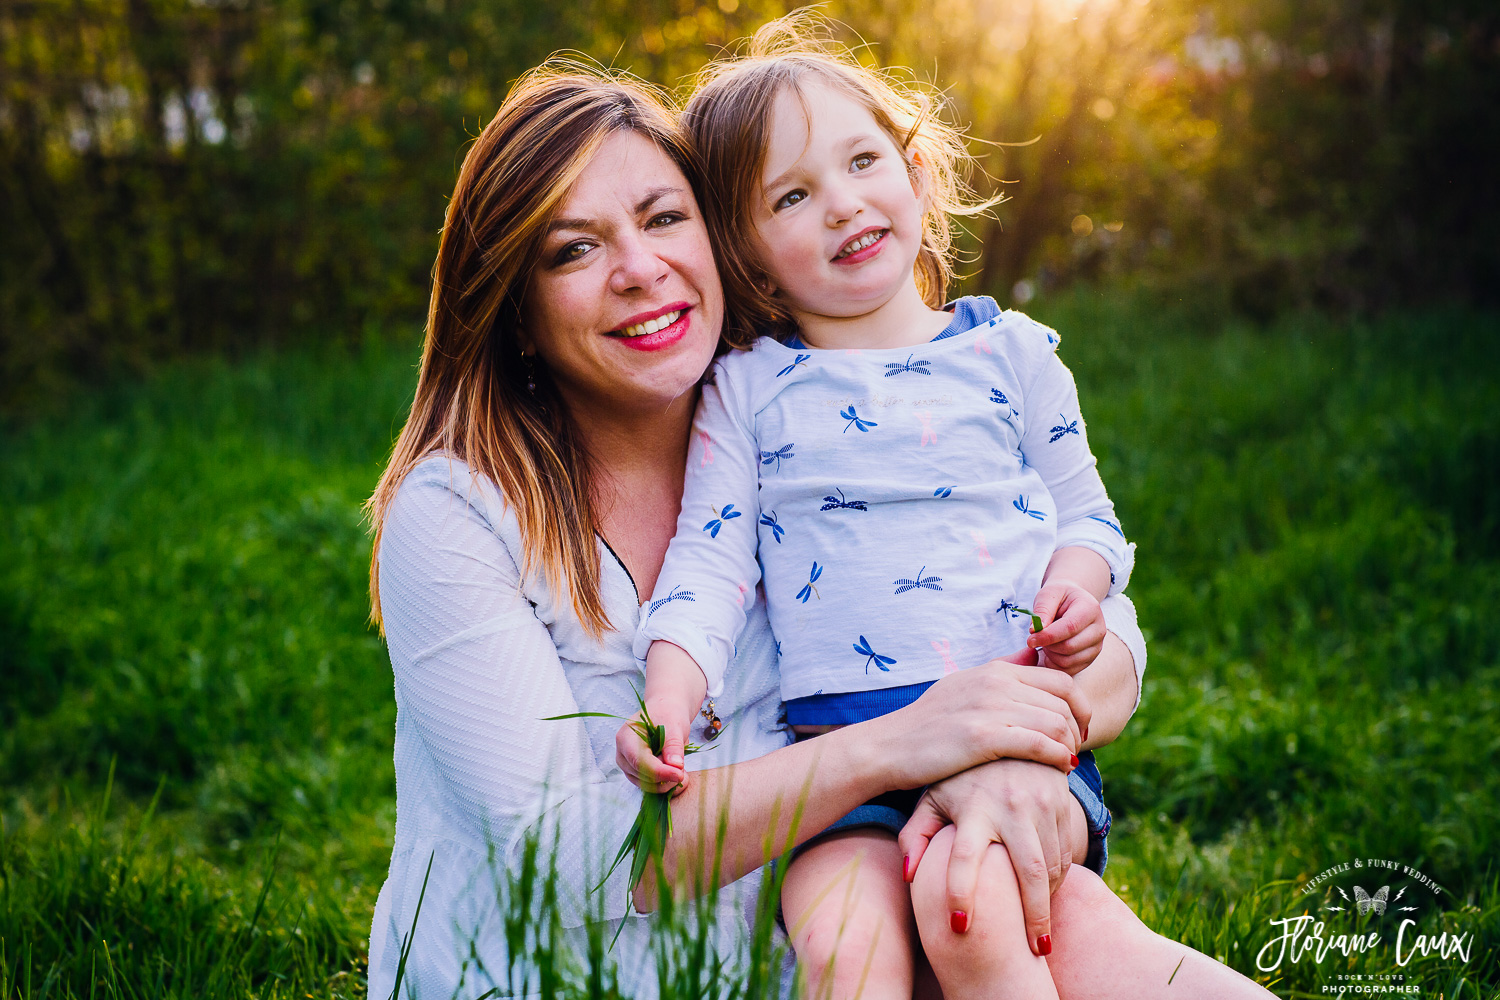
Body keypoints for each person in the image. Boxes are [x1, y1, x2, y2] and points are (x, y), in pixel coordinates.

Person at [363, 55, 1272, 1000]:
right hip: (560, 980)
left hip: (814, 948)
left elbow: (1098, 621)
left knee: (1065, 929)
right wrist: (899, 746)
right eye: (574, 250)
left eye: (665, 219)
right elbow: (569, 857)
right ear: (514, 303)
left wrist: (1018, 756)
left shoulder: (802, 429)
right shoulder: (461, 511)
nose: (640, 269)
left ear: (717, 245)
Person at [624, 26, 1132, 1000]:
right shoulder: (751, 391)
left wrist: (1077, 594)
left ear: (915, 173)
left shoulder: (1014, 355)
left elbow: (1089, 518)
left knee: (976, 902)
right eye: (792, 196)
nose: (843, 203)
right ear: (753, 259)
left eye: (862, 162)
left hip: (1011, 739)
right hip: (839, 770)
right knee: (844, 954)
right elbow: (710, 563)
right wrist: (670, 694)